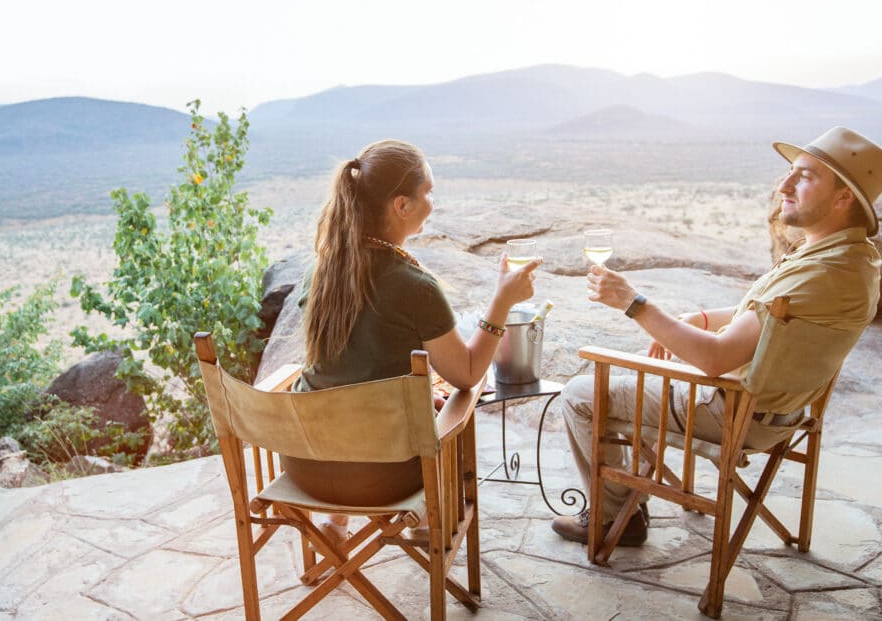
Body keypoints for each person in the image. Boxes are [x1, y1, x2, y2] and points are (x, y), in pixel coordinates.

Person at [551, 126, 882, 546]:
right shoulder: (851, 259)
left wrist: (633, 302)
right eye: (789, 173)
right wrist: (702, 317)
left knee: (583, 392)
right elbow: (775, 318)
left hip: (729, 411)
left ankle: (615, 515)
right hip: (781, 414)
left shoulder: (821, 274)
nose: (784, 185)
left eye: (805, 176)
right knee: (646, 365)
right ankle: (630, 494)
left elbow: (715, 359)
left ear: (843, 198)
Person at [285, 139, 539, 545]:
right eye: (428, 192)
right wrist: (503, 300)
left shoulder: (320, 273)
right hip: (383, 479)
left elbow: (348, 369)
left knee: (357, 408)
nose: (432, 202)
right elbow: (468, 374)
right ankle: (424, 521)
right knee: (450, 413)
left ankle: (335, 523)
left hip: (306, 467)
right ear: (401, 206)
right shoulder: (414, 287)